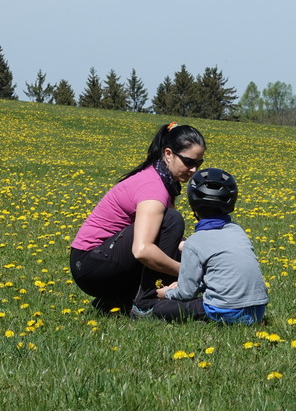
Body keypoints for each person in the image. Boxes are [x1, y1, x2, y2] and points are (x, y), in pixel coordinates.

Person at [69, 122, 207, 320]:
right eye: (188, 162)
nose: (194, 169)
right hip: (91, 266)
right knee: (172, 221)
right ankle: (145, 304)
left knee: (179, 246)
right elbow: (142, 250)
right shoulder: (154, 188)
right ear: (168, 154)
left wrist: (200, 253)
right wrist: (186, 272)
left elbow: (167, 240)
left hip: (96, 264)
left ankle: (117, 299)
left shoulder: (161, 179)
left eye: (199, 163)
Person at [148, 167, 269, 325]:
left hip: (225, 310)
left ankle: (209, 320)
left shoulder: (194, 243)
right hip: (257, 311)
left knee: (161, 309)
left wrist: (167, 293)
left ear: (193, 204)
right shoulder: (238, 232)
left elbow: (186, 293)